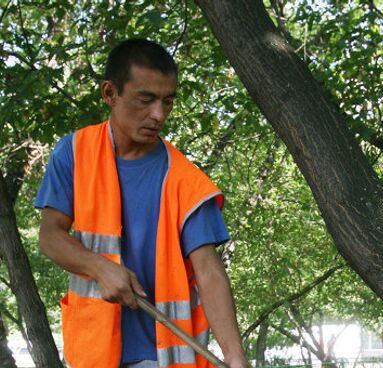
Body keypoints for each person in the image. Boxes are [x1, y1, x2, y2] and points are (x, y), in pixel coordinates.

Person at [36, 38, 249, 368]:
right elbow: (50, 236)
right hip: (93, 353)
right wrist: (99, 266)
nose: (158, 114)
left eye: (167, 101)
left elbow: (209, 272)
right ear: (110, 93)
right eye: (146, 100)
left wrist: (236, 358)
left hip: (164, 358)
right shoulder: (75, 153)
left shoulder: (187, 181)